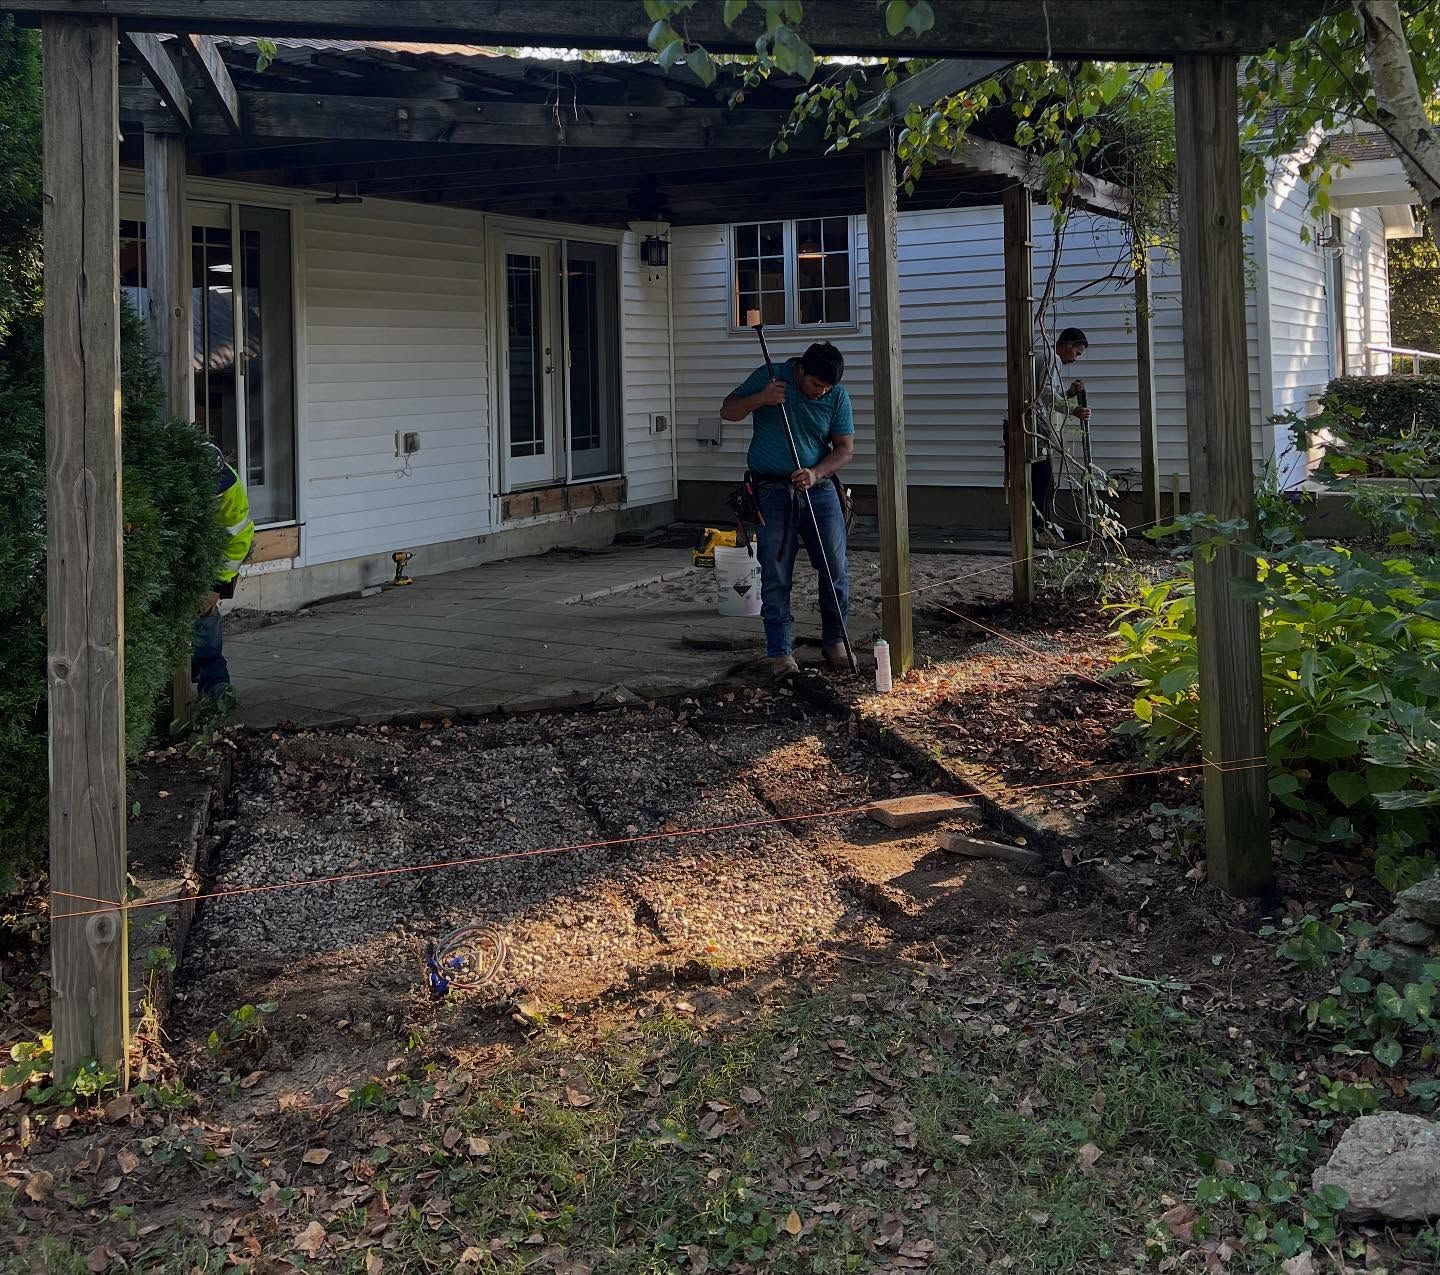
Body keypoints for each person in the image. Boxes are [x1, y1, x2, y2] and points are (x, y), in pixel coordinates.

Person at [721, 341, 854, 678]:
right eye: (815, 385)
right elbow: (728, 411)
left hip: (819, 490)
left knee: (834, 566)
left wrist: (816, 472)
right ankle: (781, 652)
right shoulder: (770, 376)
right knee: (776, 572)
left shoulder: (837, 397)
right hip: (771, 490)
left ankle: (835, 640)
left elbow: (844, 449)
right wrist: (761, 399)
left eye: (827, 388)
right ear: (800, 371)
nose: (821, 393)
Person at [193, 439, 254, 701]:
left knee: (205, 614)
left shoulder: (229, 488)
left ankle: (214, 683)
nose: (216, 496)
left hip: (210, 554)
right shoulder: (170, 481)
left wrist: (215, 586)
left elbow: (238, 541)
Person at [1031, 326, 1092, 542]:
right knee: (1043, 481)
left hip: (1034, 424)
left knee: (1041, 480)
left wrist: (1069, 395)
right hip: (1034, 426)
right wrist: (1074, 410)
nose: (1075, 359)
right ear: (1068, 345)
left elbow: (1048, 394)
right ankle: (1038, 531)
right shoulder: (1052, 358)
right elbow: (1046, 396)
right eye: (1076, 353)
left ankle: (1038, 529)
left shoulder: (1046, 358)